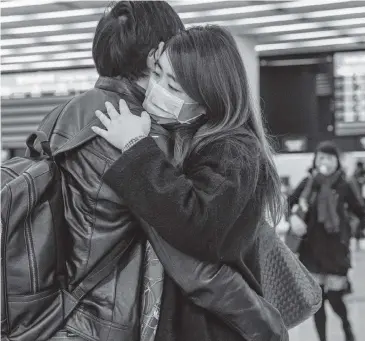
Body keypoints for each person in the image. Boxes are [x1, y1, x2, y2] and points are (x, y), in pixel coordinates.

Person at [38, 3, 287, 341]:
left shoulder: (58, 119)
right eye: (158, 74)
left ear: (207, 96)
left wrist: (138, 148)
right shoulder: (152, 132)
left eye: (174, 83)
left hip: (68, 308)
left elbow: (194, 230)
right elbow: (193, 263)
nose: (160, 90)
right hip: (123, 316)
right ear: (150, 58)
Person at [288, 141, 365, 341]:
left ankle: (346, 325)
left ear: (337, 162)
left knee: (335, 297)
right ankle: (322, 338)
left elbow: (360, 211)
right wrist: (294, 217)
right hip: (311, 249)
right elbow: (290, 203)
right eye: (321, 157)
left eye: (329, 158)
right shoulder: (308, 183)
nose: (325, 162)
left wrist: (356, 229)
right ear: (315, 160)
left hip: (336, 250)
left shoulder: (344, 185)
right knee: (317, 299)